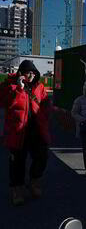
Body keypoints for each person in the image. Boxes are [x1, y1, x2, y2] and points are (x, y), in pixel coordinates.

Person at [0, 60, 51, 206]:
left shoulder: (39, 86)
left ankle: (34, 181)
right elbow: (4, 102)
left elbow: (45, 102)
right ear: (21, 73)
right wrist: (19, 89)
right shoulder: (10, 85)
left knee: (42, 157)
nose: (31, 75)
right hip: (18, 131)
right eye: (28, 72)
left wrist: (46, 112)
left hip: (37, 130)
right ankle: (17, 189)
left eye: (33, 72)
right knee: (17, 162)